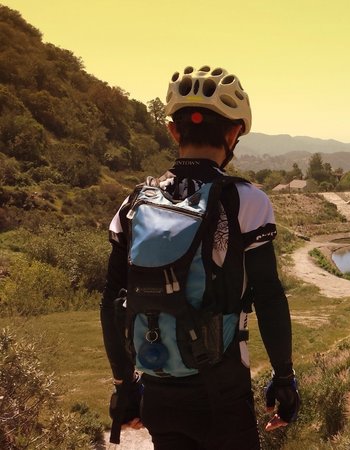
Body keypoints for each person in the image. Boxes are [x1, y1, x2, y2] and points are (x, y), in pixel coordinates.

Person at [99, 65, 299, 449]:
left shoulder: (134, 204)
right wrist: (285, 380)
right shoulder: (246, 200)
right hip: (221, 393)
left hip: (158, 388)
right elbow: (270, 297)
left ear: (174, 132)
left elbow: (111, 299)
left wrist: (124, 387)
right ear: (233, 133)